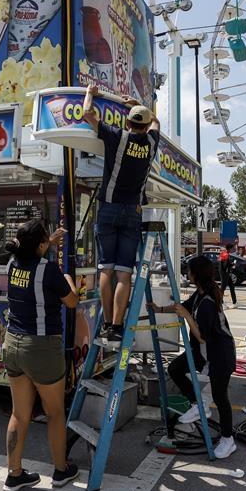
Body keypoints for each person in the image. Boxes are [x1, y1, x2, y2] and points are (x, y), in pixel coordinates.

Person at [1, 219, 80, 491]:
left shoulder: (12, 263)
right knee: (55, 412)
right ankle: (61, 470)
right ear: (41, 245)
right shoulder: (49, 270)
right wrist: (70, 279)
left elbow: (30, 262)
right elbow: (71, 300)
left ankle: (14, 474)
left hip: (12, 344)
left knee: (19, 414)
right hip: (41, 347)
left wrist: (47, 245)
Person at [82, 84, 160, 343]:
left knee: (106, 270)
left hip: (109, 207)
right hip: (133, 212)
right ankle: (116, 326)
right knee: (125, 273)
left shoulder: (118, 136)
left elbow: (87, 115)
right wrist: (137, 102)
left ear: (127, 122)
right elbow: (156, 122)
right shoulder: (151, 142)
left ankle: (105, 323)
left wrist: (90, 94)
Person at [149, 254, 238, 459]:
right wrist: (160, 309)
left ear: (196, 274)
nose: (187, 273)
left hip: (219, 355)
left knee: (220, 396)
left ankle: (228, 440)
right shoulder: (199, 294)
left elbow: (202, 337)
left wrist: (187, 317)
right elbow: (183, 307)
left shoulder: (207, 302)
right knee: (175, 368)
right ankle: (199, 405)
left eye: (189, 270)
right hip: (204, 353)